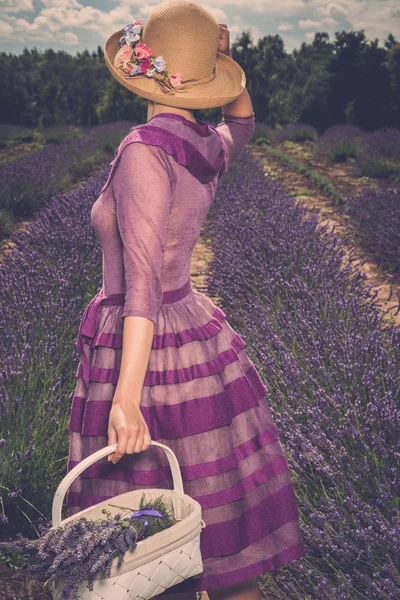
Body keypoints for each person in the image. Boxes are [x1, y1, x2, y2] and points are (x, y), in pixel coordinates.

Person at [66, 1, 306, 598]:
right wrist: (224, 69)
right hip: (197, 337)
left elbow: (141, 286)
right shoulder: (204, 143)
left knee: (147, 553)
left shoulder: (144, 149)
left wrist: (125, 400)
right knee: (220, 544)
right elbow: (244, 123)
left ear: (145, 72)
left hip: (145, 354)